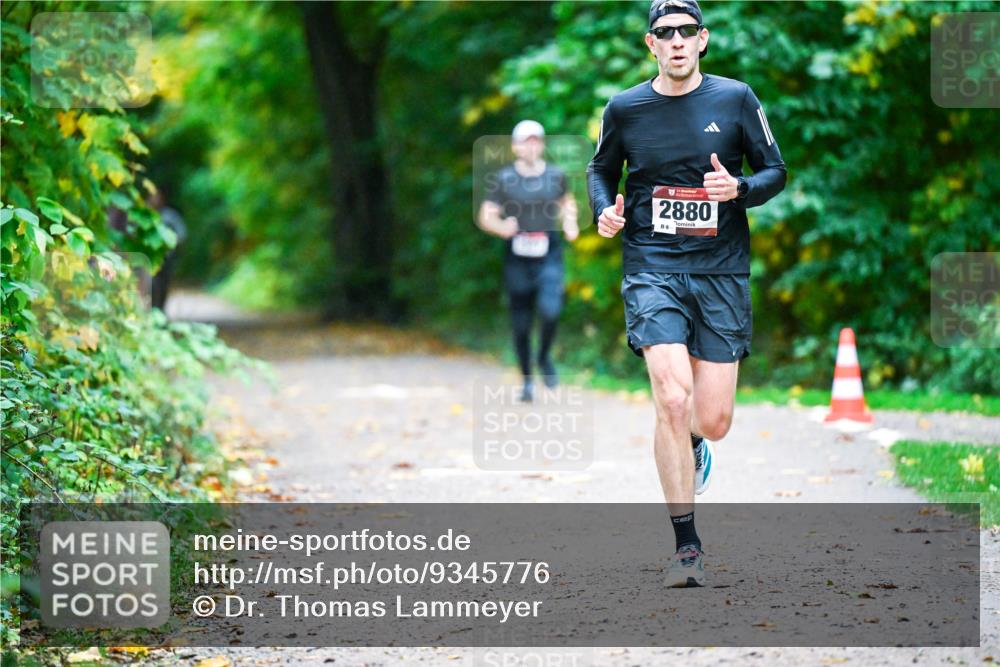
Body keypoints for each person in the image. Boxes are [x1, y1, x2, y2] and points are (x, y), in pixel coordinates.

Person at [587, 0, 787, 587]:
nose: (676, 41)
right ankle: (687, 548)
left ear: (704, 40)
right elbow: (601, 170)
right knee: (670, 399)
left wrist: (740, 187)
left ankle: (697, 442)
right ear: (651, 45)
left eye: (686, 32)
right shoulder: (625, 108)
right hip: (651, 265)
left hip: (721, 269)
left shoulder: (736, 98)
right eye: (664, 33)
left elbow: (776, 170)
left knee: (713, 417)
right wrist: (605, 210)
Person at [478, 120, 580, 402]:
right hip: (517, 255)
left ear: (542, 145)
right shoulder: (504, 179)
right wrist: (502, 227)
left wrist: (570, 223)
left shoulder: (555, 175)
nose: (531, 146)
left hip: (548, 251)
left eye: (536, 140)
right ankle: (526, 380)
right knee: (521, 324)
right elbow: (486, 215)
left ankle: (544, 356)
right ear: (515, 146)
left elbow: (567, 204)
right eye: (525, 141)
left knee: (551, 310)